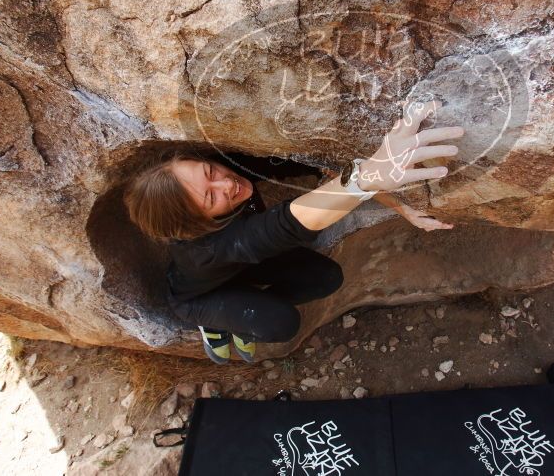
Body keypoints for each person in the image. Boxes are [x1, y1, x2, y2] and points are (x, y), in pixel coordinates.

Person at [123, 100, 464, 363]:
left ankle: (245, 296)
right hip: (200, 295)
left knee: (325, 277)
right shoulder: (204, 249)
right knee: (280, 324)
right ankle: (224, 321)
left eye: (210, 171)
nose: (226, 183)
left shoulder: (233, 171)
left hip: (244, 263)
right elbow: (285, 223)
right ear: (196, 224)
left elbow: (323, 166)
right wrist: (370, 176)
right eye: (210, 197)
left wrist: (401, 206)